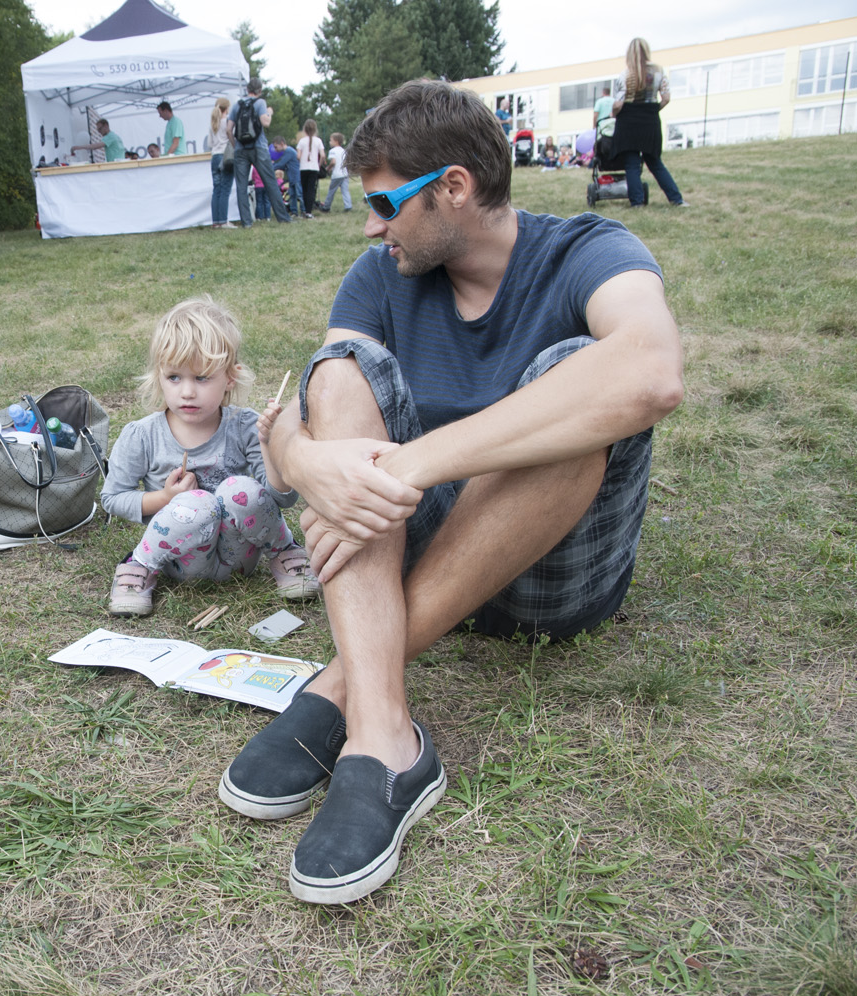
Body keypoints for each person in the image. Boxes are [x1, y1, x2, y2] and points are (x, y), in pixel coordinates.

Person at [218, 79, 682, 904]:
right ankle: (384, 737)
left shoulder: (587, 250)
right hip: (414, 547)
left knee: (577, 375)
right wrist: (300, 455)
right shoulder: (380, 275)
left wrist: (412, 464)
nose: (371, 226)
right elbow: (320, 403)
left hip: (549, 575)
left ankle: (340, 685)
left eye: (385, 203)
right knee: (342, 369)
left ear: (454, 187)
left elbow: (650, 372)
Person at [102, 297, 320, 617]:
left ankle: (285, 551)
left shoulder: (245, 426)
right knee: (197, 504)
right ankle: (139, 565)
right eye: (174, 377)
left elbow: (282, 499)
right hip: (180, 562)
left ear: (230, 377)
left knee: (239, 489)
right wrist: (165, 498)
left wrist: (267, 443)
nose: (187, 392)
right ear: (159, 375)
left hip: (239, 560)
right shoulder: (142, 435)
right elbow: (112, 498)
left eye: (201, 377)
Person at [611, 38, 686, 208]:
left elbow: (618, 104)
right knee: (655, 162)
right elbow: (666, 98)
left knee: (632, 164)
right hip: (650, 121)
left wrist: (613, 114)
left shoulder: (625, 75)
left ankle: (637, 203)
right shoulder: (659, 71)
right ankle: (676, 199)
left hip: (628, 122)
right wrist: (652, 111)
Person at [231, 78, 292, 227]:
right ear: (260, 90)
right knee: (270, 182)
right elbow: (266, 122)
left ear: (247, 89)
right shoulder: (260, 103)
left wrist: (236, 145)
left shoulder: (236, 105)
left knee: (241, 186)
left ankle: (246, 222)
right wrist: (269, 112)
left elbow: (228, 129)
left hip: (240, 149)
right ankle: (283, 218)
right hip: (259, 148)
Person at [207, 98, 234, 228]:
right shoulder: (228, 122)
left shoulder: (213, 124)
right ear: (227, 108)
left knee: (216, 189)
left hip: (215, 156)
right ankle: (223, 221)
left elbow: (210, 144)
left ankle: (216, 221)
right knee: (225, 189)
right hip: (226, 156)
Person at [296, 119, 325, 220]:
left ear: (305, 129)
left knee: (304, 190)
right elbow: (322, 155)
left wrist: (302, 160)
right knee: (311, 189)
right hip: (314, 168)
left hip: (303, 168)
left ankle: (304, 210)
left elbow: (298, 156)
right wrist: (319, 164)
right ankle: (309, 211)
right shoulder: (318, 141)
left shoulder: (302, 141)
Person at [269, 137, 303, 217]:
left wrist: (270, 168)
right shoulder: (287, 152)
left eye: (276, 147)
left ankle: (303, 211)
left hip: (296, 176)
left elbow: (281, 163)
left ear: (281, 144)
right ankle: (294, 211)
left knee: (299, 194)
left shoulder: (289, 151)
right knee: (292, 195)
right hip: (292, 177)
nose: (275, 150)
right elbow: (283, 165)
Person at [320, 132, 351, 212]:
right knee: (345, 190)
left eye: (331, 140)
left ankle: (326, 206)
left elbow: (333, 162)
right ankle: (348, 206)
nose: (330, 142)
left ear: (336, 141)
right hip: (345, 173)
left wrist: (328, 168)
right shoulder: (344, 150)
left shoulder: (332, 151)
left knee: (331, 191)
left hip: (337, 175)